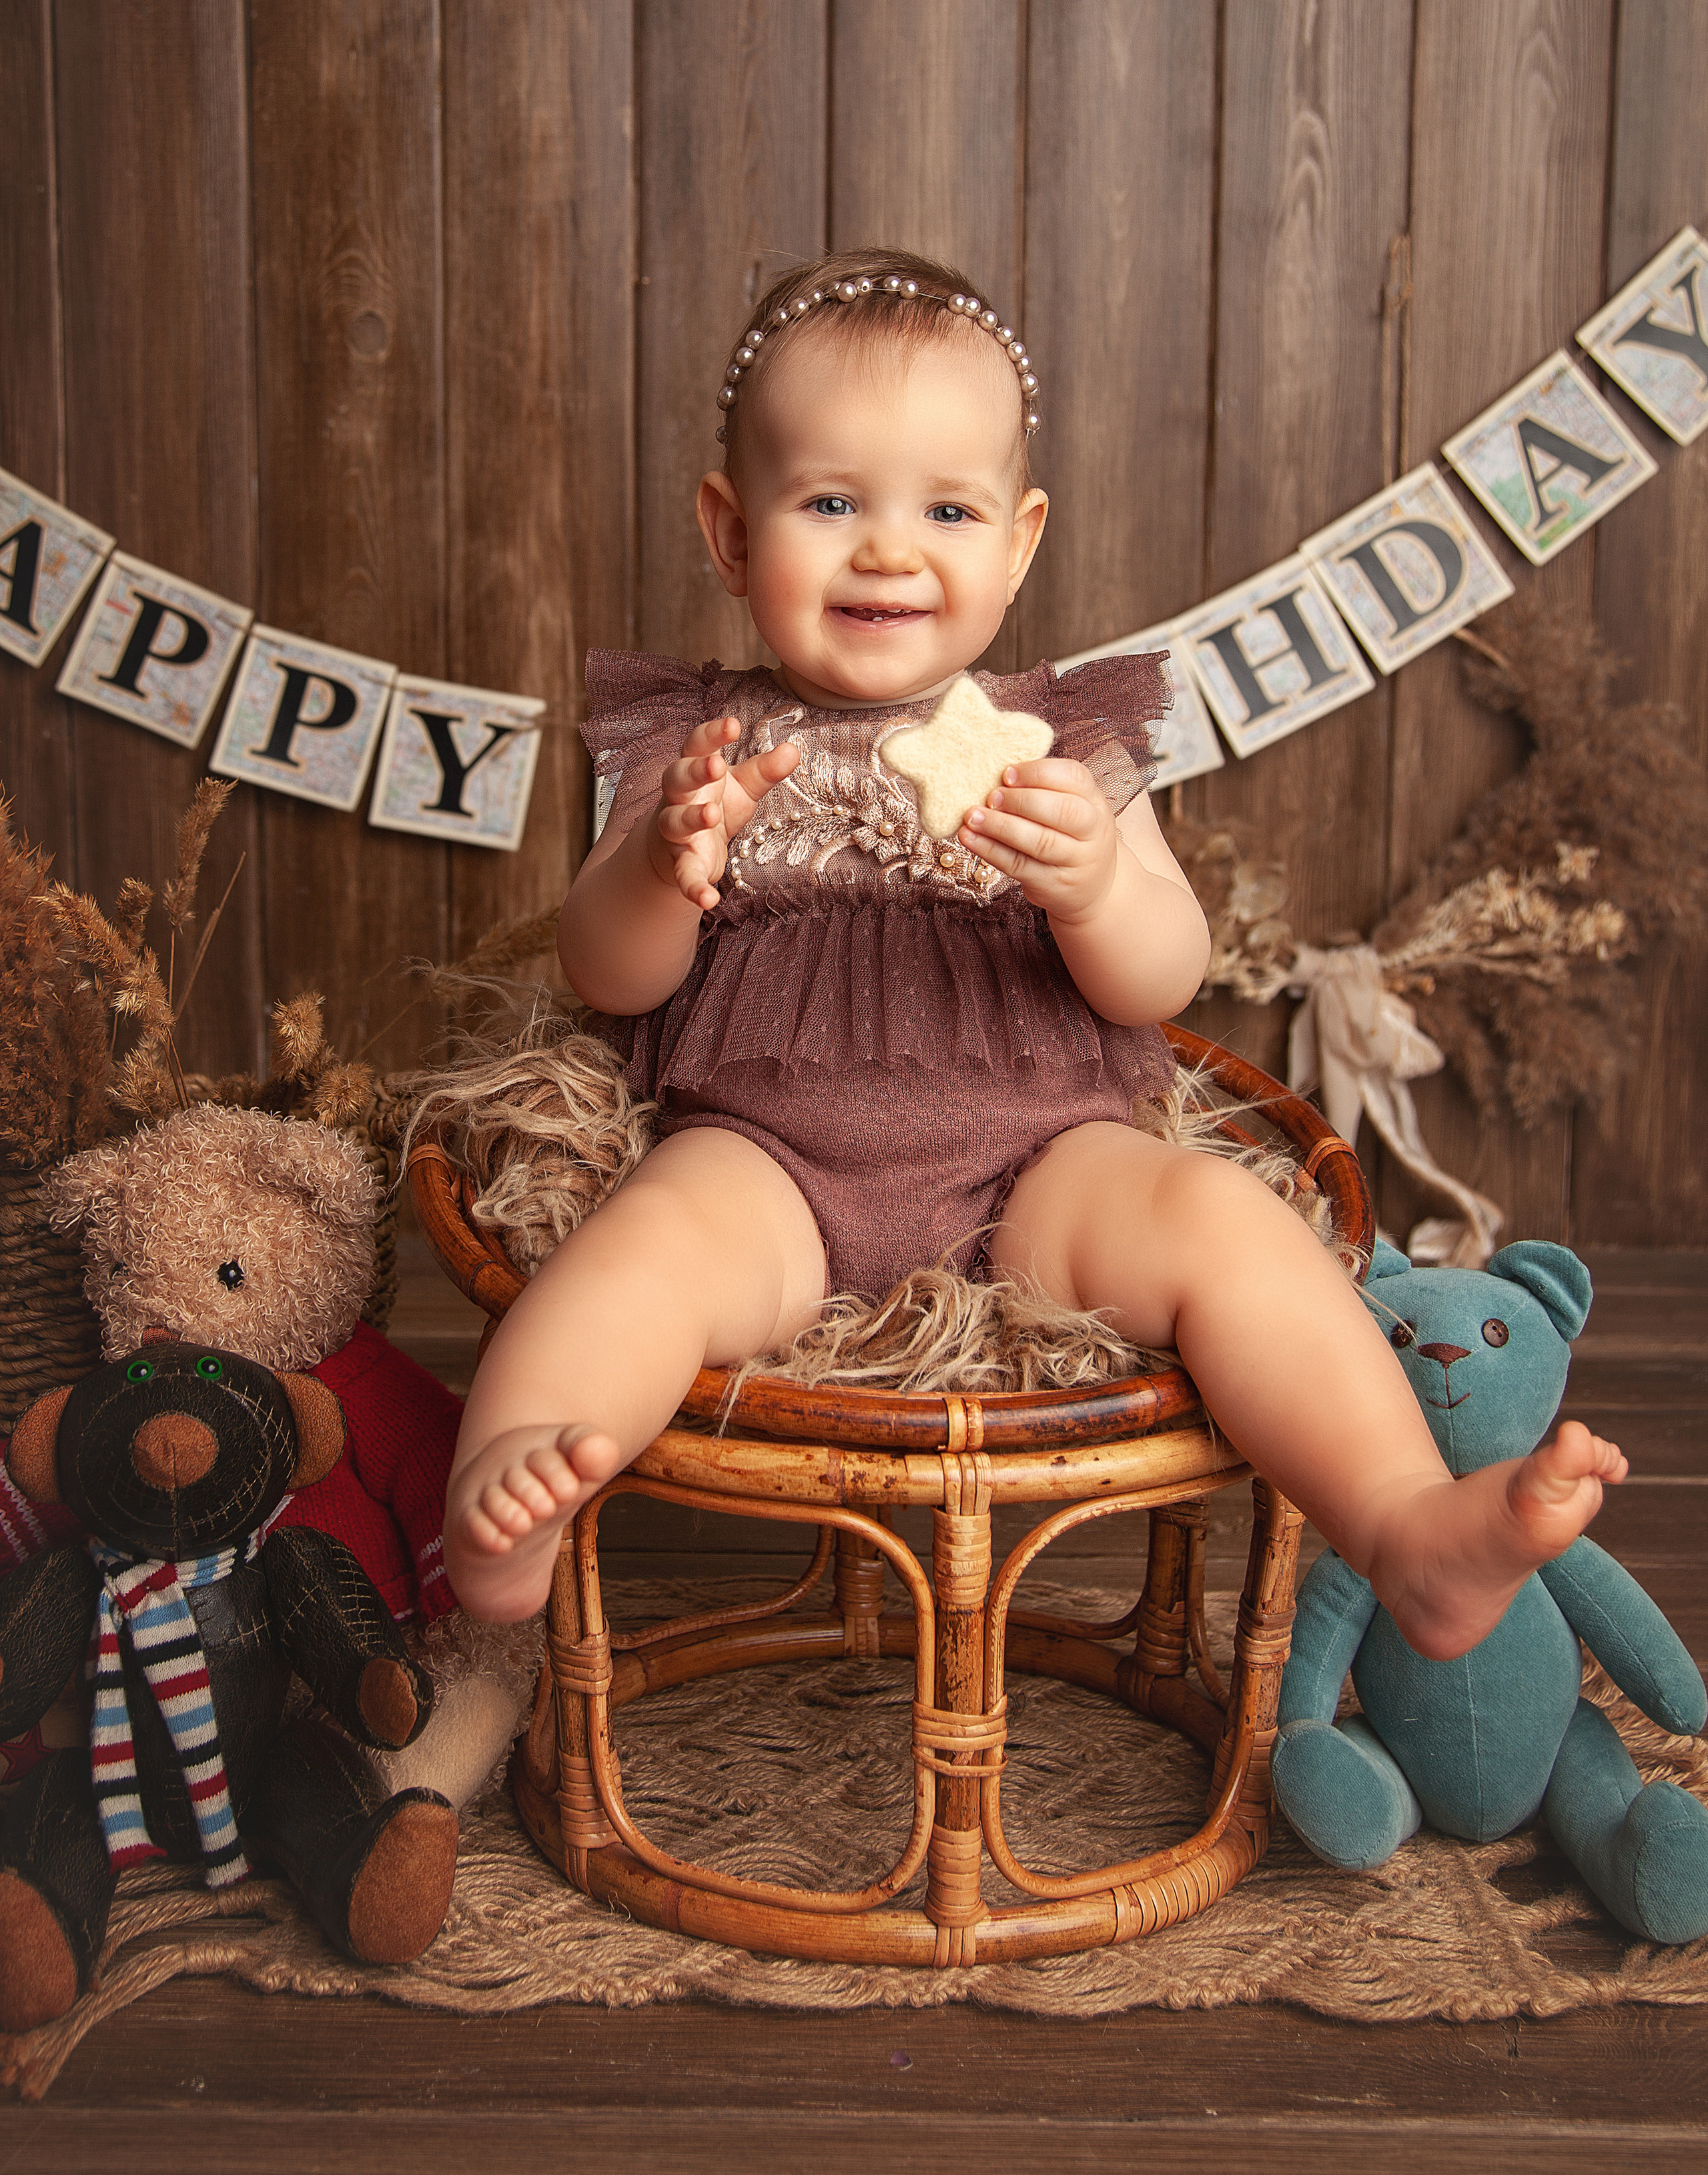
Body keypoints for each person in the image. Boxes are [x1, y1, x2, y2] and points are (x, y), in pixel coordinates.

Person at [444, 248, 1625, 1639]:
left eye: (947, 507)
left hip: (1037, 1171)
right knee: (634, 1258)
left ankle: (1404, 1521)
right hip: (767, 1165)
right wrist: (660, 873)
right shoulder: (697, 746)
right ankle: (506, 1494)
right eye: (829, 502)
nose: (889, 549)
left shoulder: (1065, 747)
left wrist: (1091, 890)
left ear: (1016, 541)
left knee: (1225, 1231)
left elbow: (1161, 977)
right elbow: (608, 977)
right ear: (728, 532)